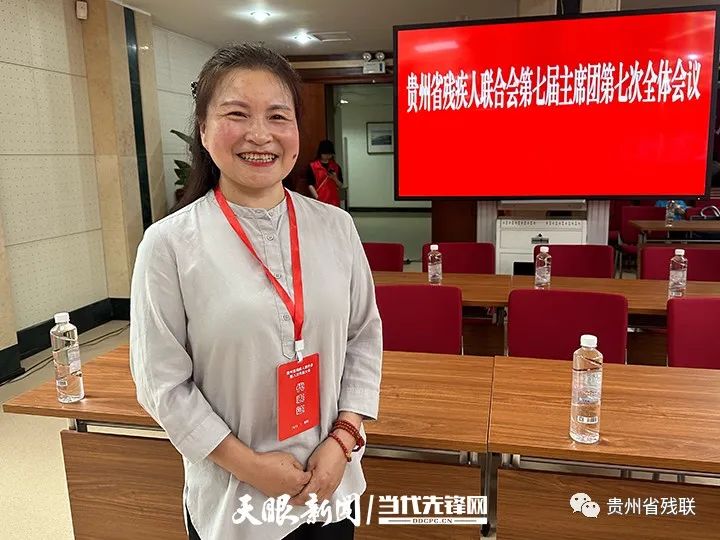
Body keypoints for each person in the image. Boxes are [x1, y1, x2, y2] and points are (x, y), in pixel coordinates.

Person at [129, 43, 382, 540]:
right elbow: (163, 383)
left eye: (277, 116)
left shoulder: (336, 227)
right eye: (237, 114)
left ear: (296, 131)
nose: (260, 134)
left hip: (331, 486)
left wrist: (343, 438)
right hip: (236, 500)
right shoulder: (169, 244)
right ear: (204, 130)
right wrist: (249, 466)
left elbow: (363, 337)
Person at [306, 140, 343, 206]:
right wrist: (317, 198)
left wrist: (335, 178)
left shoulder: (336, 167)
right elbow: (310, 184)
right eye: (325, 154)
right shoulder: (313, 166)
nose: (327, 156)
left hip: (334, 201)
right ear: (320, 153)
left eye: (330, 154)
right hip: (319, 200)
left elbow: (340, 185)